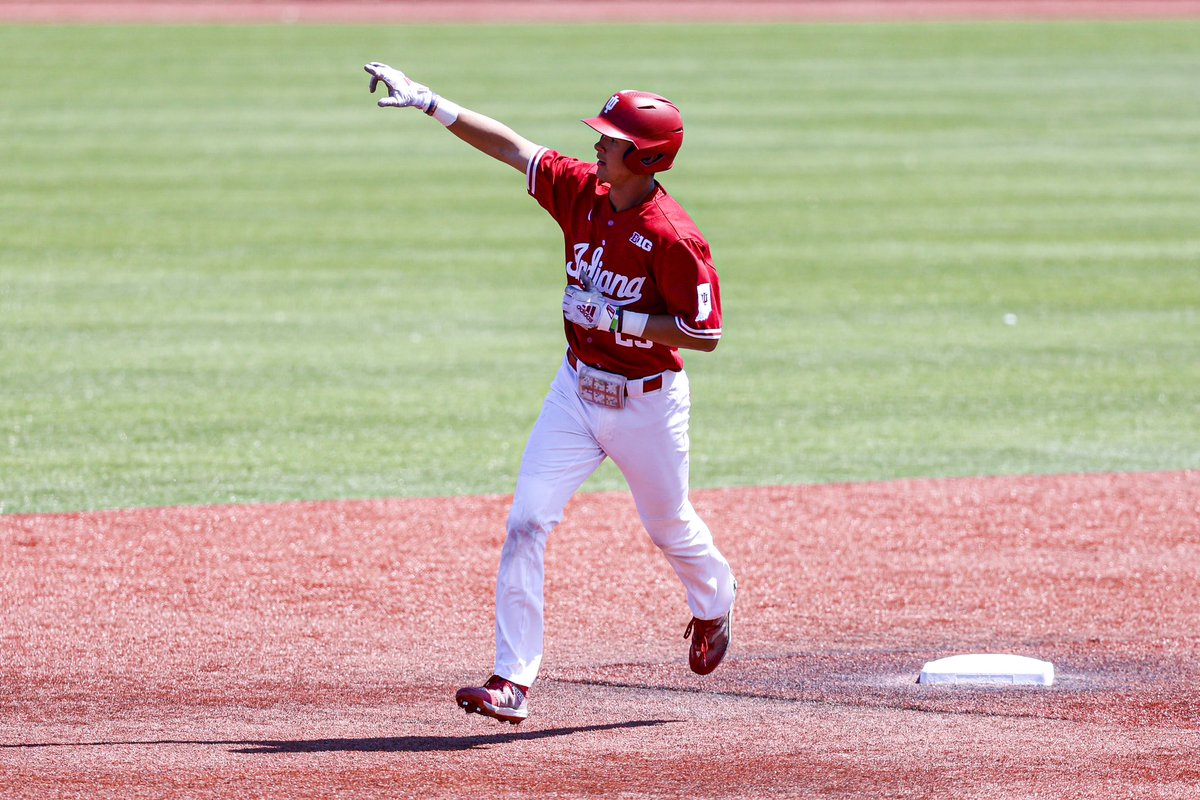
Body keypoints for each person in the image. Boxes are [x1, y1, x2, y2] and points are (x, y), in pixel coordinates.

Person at [364, 62, 737, 725]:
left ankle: (714, 603)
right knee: (526, 523)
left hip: (647, 403)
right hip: (576, 392)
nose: (597, 142)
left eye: (611, 137)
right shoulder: (581, 191)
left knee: (669, 525)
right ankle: (513, 680)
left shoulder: (672, 236)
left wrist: (620, 320)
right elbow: (513, 148)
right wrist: (430, 102)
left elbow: (703, 333)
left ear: (644, 155)